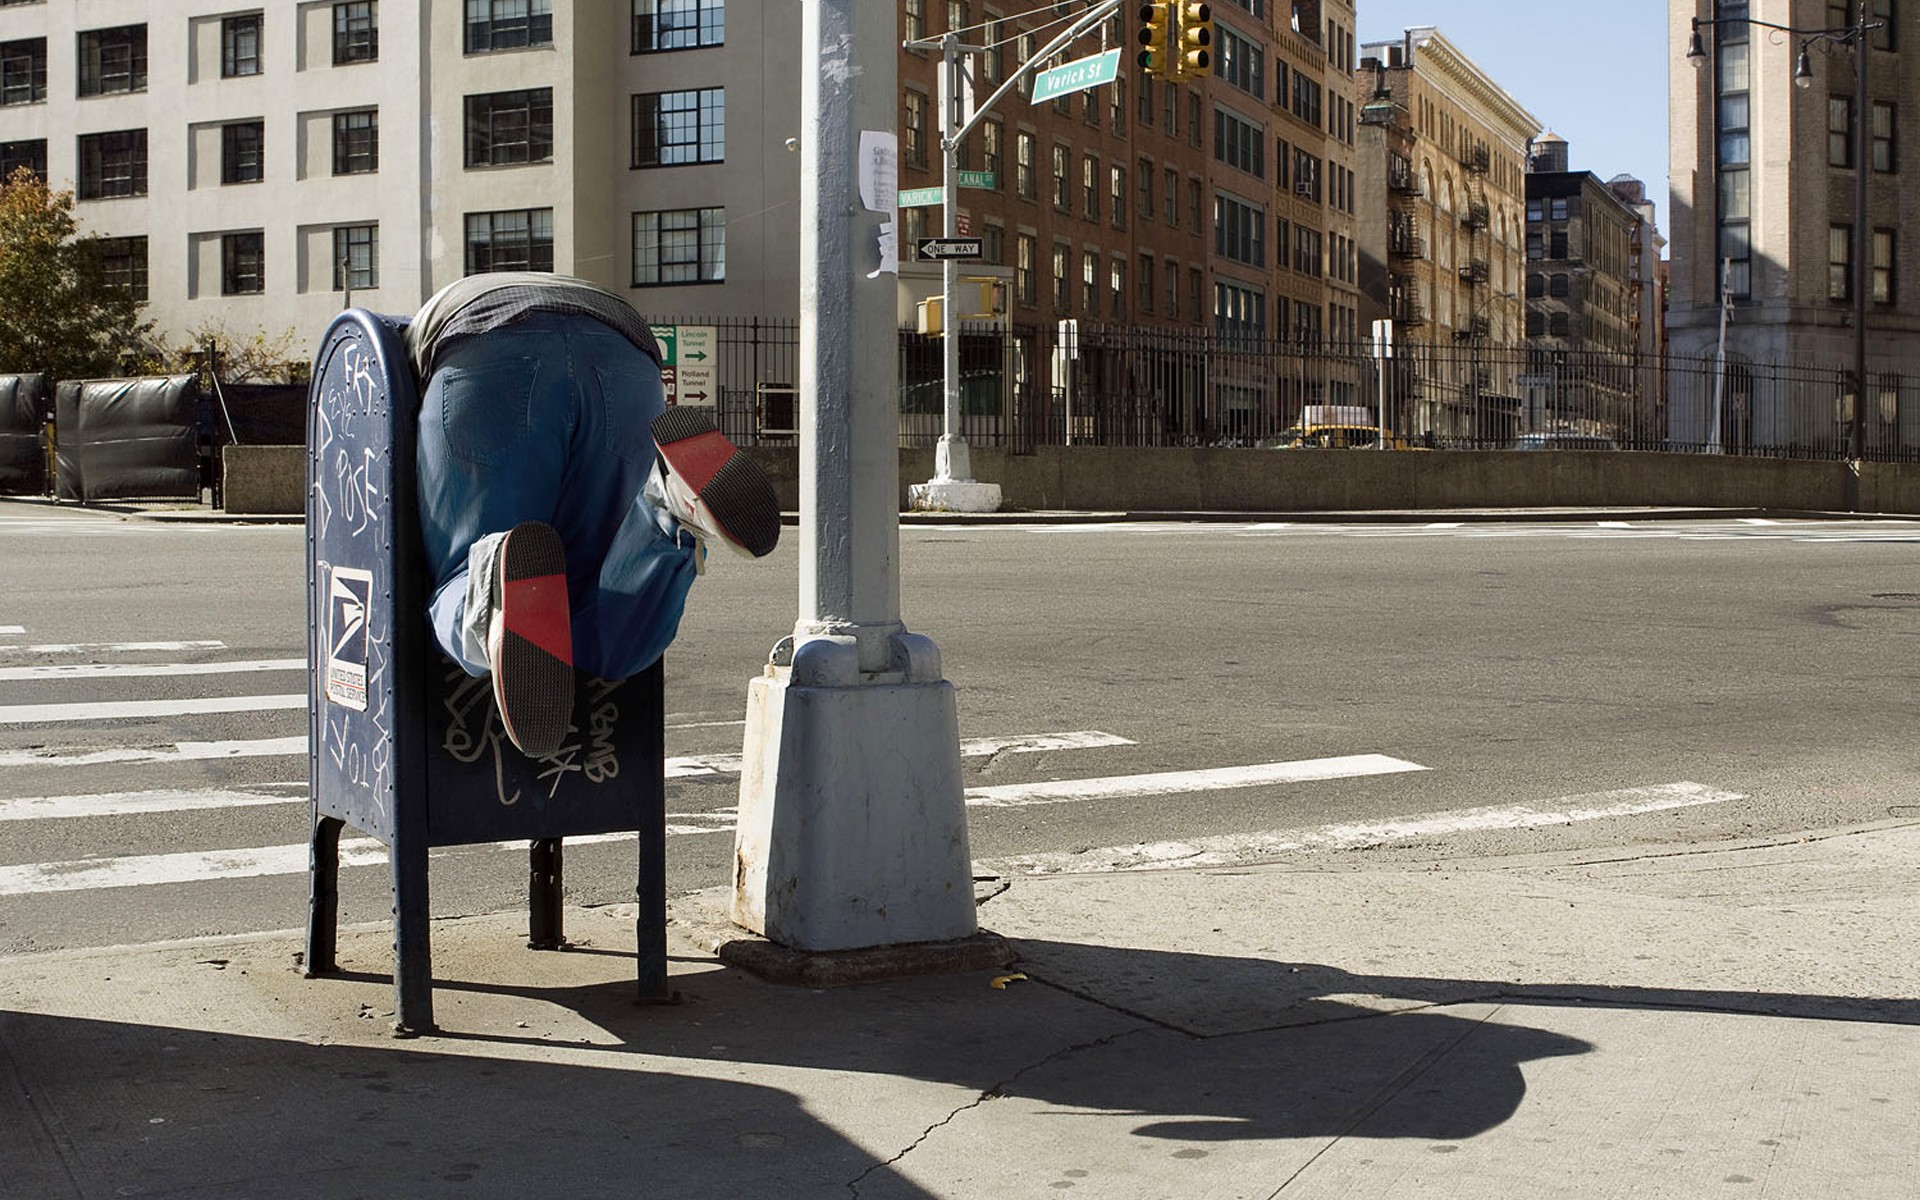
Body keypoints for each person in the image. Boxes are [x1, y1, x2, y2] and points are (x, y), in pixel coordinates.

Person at [406, 271, 779, 758]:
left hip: (484, 341)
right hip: (623, 352)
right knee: (607, 636)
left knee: (459, 574)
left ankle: (492, 584)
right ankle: (667, 509)